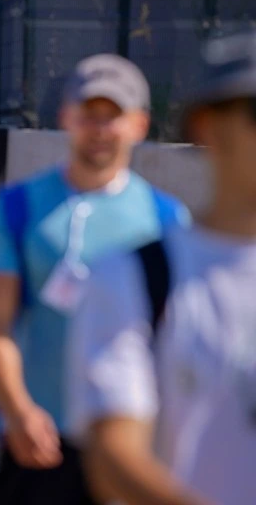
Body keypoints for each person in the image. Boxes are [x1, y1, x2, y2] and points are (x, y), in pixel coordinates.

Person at [0, 54, 189, 505]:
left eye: (114, 116)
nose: (101, 128)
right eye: (90, 114)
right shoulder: (17, 209)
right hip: (41, 441)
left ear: (140, 124)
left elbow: (177, 342)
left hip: (135, 446)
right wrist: (18, 411)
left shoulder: (167, 221)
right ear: (67, 117)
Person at [68, 34, 256, 505]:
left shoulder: (160, 216)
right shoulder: (138, 275)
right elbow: (113, 458)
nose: (101, 128)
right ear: (209, 128)